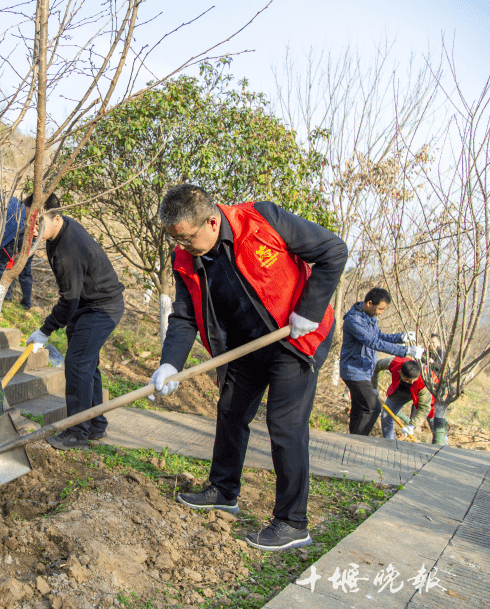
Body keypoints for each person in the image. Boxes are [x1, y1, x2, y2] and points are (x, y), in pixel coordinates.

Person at [149, 185, 347, 551]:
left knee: (284, 425)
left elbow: (333, 250)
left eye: (188, 238)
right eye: (176, 240)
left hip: (295, 337)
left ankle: (292, 522)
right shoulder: (185, 259)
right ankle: (223, 490)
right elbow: (184, 315)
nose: (183, 247)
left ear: (211, 221)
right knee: (231, 410)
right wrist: (169, 364)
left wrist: (311, 309)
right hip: (245, 344)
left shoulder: (261, 220)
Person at [26, 192, 125, 450]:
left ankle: (77, 433)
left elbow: (68, 299)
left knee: (78, 363)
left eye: (37, 223)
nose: (32, 228)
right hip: (87, 304)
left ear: (56, 218)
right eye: (29, 222)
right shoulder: (57, 232)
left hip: (101, 308)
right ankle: (95, 425)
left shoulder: (69, 247)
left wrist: (45, 330)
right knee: (87, 365)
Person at [340, 287, 422, 436]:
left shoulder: (370, 317)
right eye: (380, 309)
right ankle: (358, 440)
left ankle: (352, 439)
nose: (381, 312)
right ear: (370, 303)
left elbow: (379, 337)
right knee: (373, 408)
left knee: (359, 408)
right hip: (354, 371)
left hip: (364, 371)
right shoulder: (353, 320)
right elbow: (373, 342)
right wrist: (405, 351)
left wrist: (400, 338)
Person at [373, 357, 435, 439]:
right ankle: (390, 443)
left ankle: (443, 445)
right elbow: (376, 366)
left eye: (414, 380)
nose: (412, 382)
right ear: (401, 373)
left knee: (435, 421)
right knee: (385, 416)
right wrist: (373, 386)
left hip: (425, 393)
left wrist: (412, 426)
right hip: (401, 390)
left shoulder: (425, 381)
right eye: (409, 380)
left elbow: (424, 407)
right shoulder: (394, 363)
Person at [0, 188, 33, 309]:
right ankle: (26, 303)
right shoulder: (15, 200)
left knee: (0, 264)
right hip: (28, 234)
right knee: (26, 269)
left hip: (13, 236)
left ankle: (7, 295)